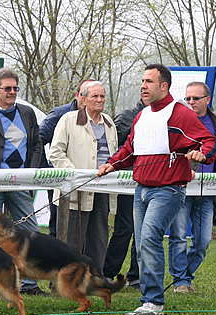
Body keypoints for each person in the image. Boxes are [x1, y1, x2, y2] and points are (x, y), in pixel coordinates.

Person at [98, 64, 216, 315]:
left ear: (164, 86)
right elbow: (130, 149)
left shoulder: (180, 114)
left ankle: (154, 301)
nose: (143, 86)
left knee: (150, 239)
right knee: (141, 244)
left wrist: (201, 155)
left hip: (168, 189)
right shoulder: (142, 116)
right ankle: (149, 300)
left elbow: (208, 141)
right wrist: (111, 164)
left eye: (149, 81)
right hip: (141, 189)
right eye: (142, 81)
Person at [0, 67, 46, 295]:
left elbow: (36, 145)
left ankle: (30, 283)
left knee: (30, 231)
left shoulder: (27, 113)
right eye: (7, 88)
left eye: (15, 88)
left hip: (20, 183)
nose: (13, 92)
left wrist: (30, 175)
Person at [49, 81, 118, 271]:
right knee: (71, 241)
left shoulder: (109, 123)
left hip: (102, 190)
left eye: (102, 96)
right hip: (75, 191)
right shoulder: (69, 120)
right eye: (95, 96)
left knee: (98, 240)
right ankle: (65, 282)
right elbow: (55, 153)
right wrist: (75, 175)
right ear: (83, 99)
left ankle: (94, 280)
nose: (99, 100)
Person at [168, 82, 216, 293]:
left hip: (209, 190)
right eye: (188, 98)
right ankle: (180, 282)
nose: (191, 102)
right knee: (178, 236)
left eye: (196, 98)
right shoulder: (177, 122)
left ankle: (186, 276)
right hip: (182, 187)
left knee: (203, 241)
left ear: (207, 100)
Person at [39, 79, 92, 237]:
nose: (87, 99)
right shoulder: (59, 115)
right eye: (84, 95)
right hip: (60, 179)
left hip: (87, 181)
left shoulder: (99, 118)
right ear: (77, 95)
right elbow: (38, 140)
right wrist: (47, 170)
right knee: (58, 226)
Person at [102, 97, 145, 288]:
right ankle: (108, 272)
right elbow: (115, 147)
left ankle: (136, 275)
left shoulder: (164, 117)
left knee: (144, 230)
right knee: (125, 228)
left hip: (150, 179)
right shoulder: (127, 117)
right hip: (128, 182)